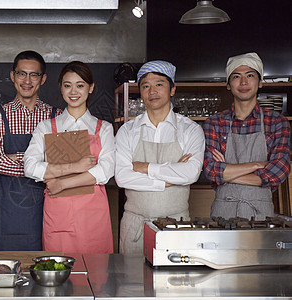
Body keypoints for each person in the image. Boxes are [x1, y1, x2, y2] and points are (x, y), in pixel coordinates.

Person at [115, 60, 205, 254]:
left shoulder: (190, 130)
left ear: (172, 89)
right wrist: (168, 180)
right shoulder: (127, 130)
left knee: (176, 282)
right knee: (131, 283)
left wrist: (145, 167)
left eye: (159, 84)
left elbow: (190, 173)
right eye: (145, 86)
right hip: (134, 225)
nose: (152, 91)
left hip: (177, 226)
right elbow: (122, 177)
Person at [24, 61, 114, 254]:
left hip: (92, 214)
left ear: (91, 88)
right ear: (61, 88)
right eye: (67, 85)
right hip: (59, 212)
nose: (73, 92)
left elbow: (105, 171)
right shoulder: (46, 127)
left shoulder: (103, 128)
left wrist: (61, 183)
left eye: (80, 85)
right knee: (58, 269)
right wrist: (76, 166)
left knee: (95, 273)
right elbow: (30, 166)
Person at [0, 50, 60, 250]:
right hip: (6, 214)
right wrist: (40, 165)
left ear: (43, 79)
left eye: (34, 74)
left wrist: (16, 158)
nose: (27, 80)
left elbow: (62, 164)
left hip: (46, 211)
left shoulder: (56, 116)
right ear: (12, 76)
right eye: (21, 74)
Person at [203, 52, 290, 220]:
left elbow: (279, 171)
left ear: (260, 83)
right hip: (222, 214)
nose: (243, 82)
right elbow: (211, 171)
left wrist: (228, 172)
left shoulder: (277, 122)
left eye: (250, 75)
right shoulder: (214, 123)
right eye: (236, 76)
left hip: (261, 215)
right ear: (228, 85)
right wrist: (258, 165)